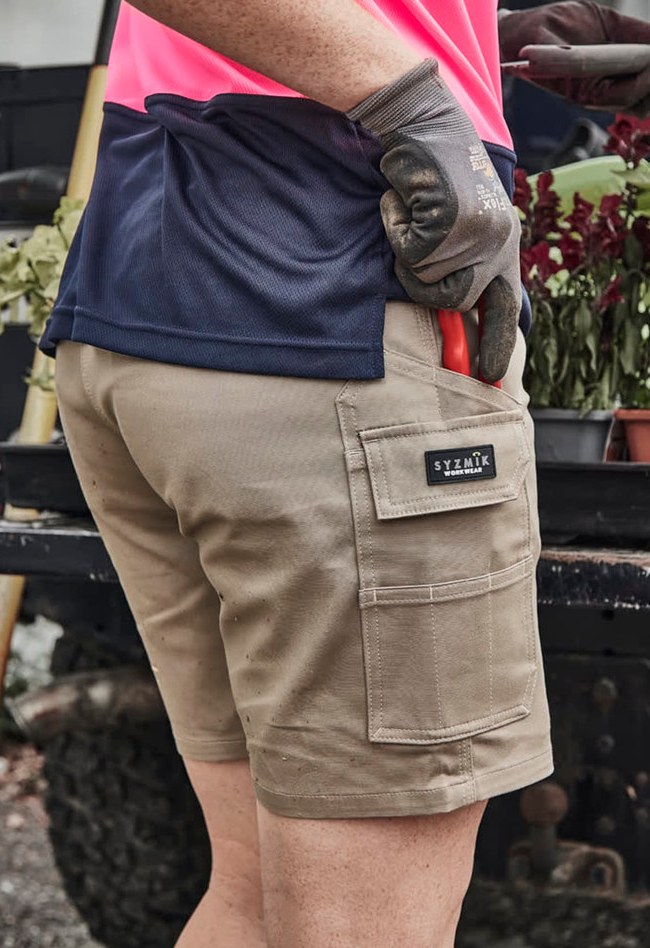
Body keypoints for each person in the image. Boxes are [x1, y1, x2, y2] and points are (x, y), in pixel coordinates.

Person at [40, 2, 650, 946]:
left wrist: (476, 36)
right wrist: (415, 99)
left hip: (159, 305)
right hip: (324, 313)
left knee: (252, 903)